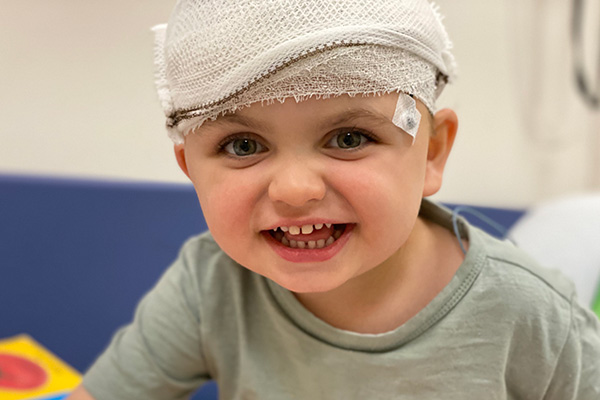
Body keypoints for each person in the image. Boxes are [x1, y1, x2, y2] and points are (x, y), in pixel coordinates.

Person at [68, 0, 600, 398]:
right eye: (244, 146)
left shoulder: (531, 315)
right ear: (190, 168)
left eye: (349, 138)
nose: (295, 189)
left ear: (432, 151)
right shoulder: (210, 288)